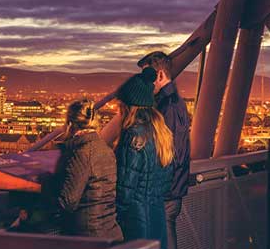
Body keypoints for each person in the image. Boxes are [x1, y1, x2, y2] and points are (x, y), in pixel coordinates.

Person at [42, 99, 124, 242]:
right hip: (110, 230)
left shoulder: (81, 152)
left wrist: (46, 185)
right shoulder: (105, 149)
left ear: (70, 124)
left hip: (88, 235)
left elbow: (68, 201)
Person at [115, 67, 174, 247]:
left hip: (137, 218)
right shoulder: (161, 132)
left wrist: (117, 215)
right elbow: (167, 179)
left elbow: (125, 188)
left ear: (129, 106)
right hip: (157, 213)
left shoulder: (133, 135)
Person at [138, 51, 191, 249]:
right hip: (169, 189)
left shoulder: (168, 106)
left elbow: (171, 152)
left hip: (164, 191)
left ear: (159, 75)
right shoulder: (172, 103)